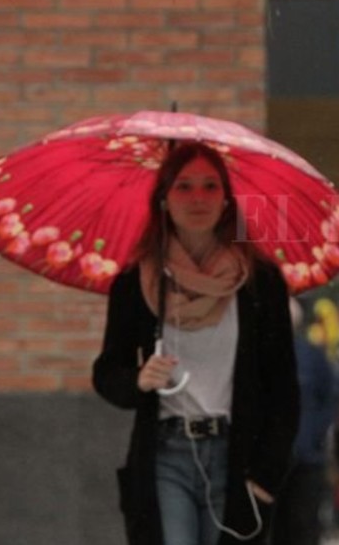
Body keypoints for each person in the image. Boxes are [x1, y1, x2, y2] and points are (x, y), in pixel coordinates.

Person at [93, 142, 300, 545]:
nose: (198, 198)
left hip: (236, 457)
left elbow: (283, 388)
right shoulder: (137, 282)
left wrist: (266, 479)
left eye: (210, 186)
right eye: (184, 186)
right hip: (165, 455)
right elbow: (106, 373)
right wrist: (138, 380)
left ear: (226, 200)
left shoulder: (259, 282)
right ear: (164, 199)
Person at [269, 298, 335, 545]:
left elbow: (329, 400)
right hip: (270, 458)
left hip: (305, 456)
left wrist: (315, 436)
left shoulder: (312, 356)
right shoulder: (256, 352)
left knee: (303, 524)